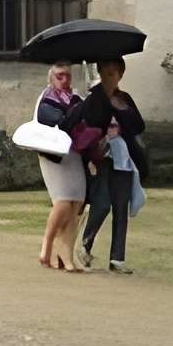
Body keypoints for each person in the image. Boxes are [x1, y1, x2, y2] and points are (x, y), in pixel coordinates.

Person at [70, 57, 147, 272]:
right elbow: (89, 123)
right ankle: (84, 246)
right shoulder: (94, 98)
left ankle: (117, 259)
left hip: (123, 158)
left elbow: (138, 125)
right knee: (102, 203)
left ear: (121, 74)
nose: (109, 77)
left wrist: (119, 115)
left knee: (121, 206)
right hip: (100, 158)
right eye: (105, 73)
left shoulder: (125, 99)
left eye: (113, 73)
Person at [33, 62, 88, 271]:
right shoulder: (47, 100)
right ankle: (46, 246)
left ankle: (66, 254)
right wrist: (81, 108)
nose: (65, 80)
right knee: (63, 201)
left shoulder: (76, 98)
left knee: (77, 202)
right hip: (53, 155)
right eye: (60, 76)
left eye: (68, 76)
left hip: (73, 153)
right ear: (51, 78)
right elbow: (63, 123)